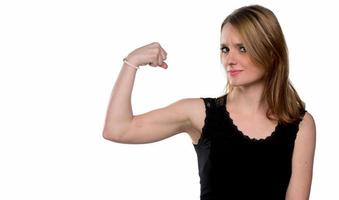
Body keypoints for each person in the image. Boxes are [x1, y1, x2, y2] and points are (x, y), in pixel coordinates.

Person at [102, 4, 316, 200]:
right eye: (225, 49)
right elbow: (117, 128)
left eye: (242, 48)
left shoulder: (300, 124)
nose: (229, 59)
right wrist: (132, 62)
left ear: (270, 52)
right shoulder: (201, 114)